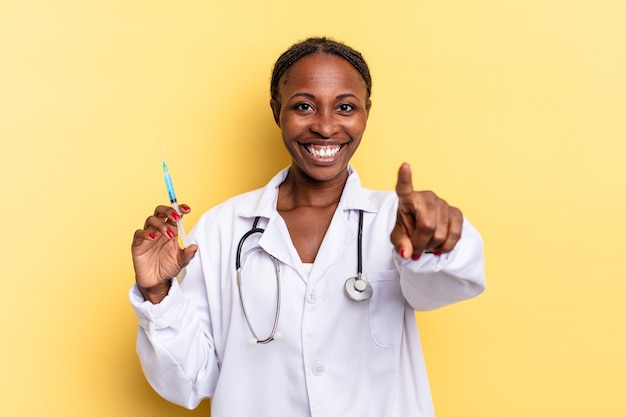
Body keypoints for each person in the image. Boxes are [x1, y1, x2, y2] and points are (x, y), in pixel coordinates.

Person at [130, 37, 485, 417]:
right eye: (304, 107)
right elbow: (190, 381)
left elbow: (448, 283)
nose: (326, 127)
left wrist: (435, 244)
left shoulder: (396, 220)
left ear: (366, 111)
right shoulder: (222, 230)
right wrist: (157, 293)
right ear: (276, 111)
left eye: (346, 107)